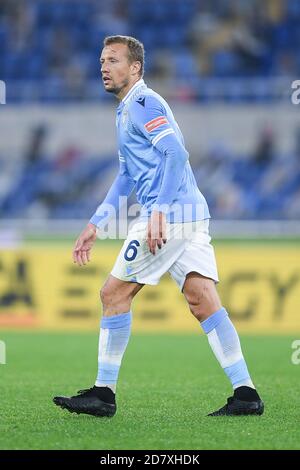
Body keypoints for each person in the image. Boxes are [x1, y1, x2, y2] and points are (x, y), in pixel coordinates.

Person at [53, 36, 264, 418]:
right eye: (101, 60)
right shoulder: (125, 111)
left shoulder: (144, 102)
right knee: (202, 298)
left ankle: (103, 393)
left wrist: (159, 212)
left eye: (113, 60)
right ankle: (246, 393)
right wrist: (96, 223)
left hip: (170, 216)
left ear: (135, 68)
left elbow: (176, 153)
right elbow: (126, 175)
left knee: (112, 294)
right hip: (190, 213)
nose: (104, 67)